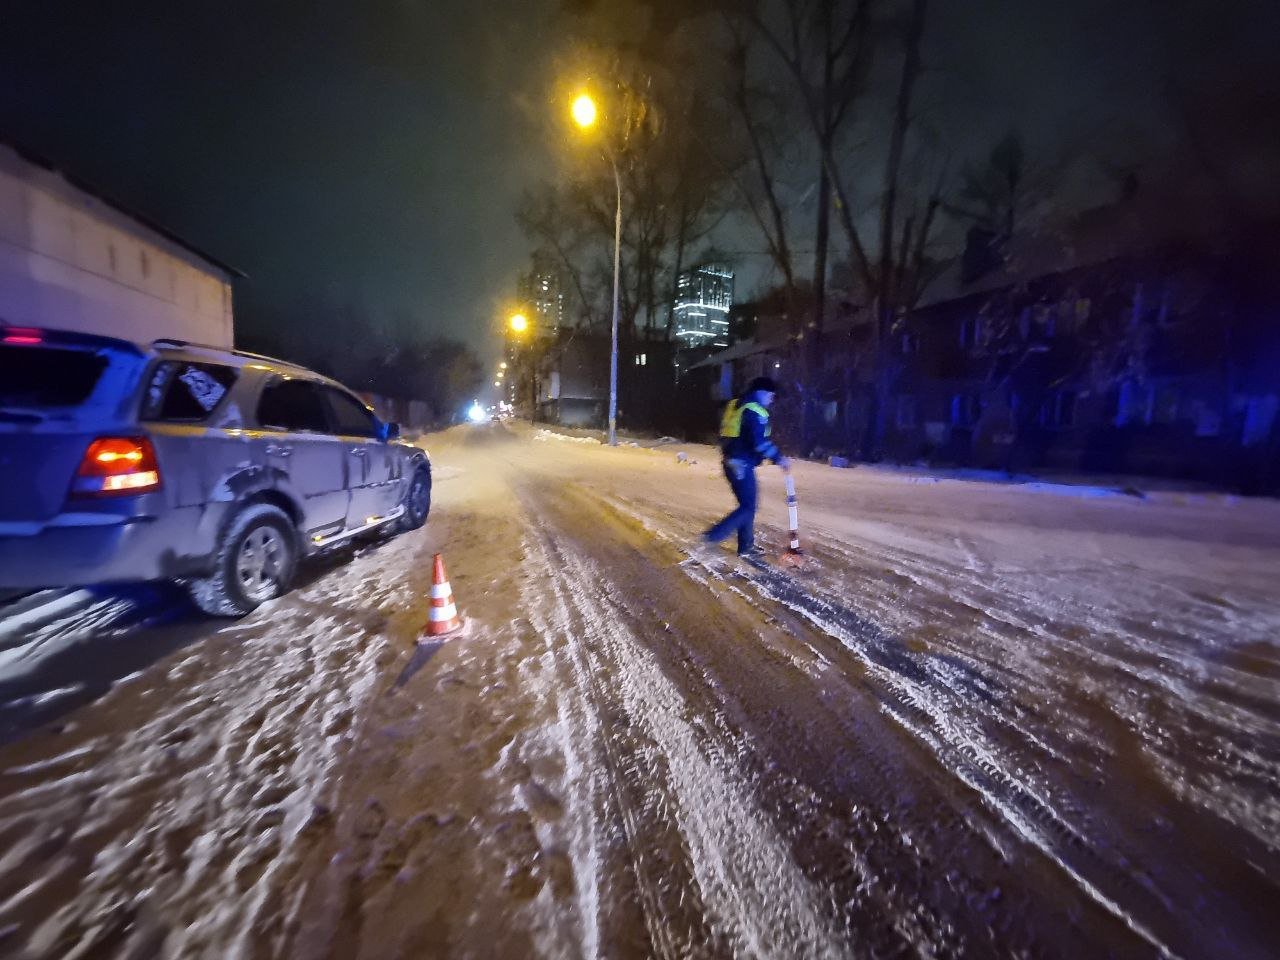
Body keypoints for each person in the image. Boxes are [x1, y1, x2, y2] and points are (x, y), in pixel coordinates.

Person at [703, 376, 790, 557]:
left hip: (731, 460)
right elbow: (759, 443)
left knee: (747, 505)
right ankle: (712, 537)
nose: (771, 400)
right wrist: (779, 458)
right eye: (770, 395)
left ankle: (746, 547)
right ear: (761, 392)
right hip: (741, 464)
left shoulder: (738, 404)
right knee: (749, 507)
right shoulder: (754, 411)